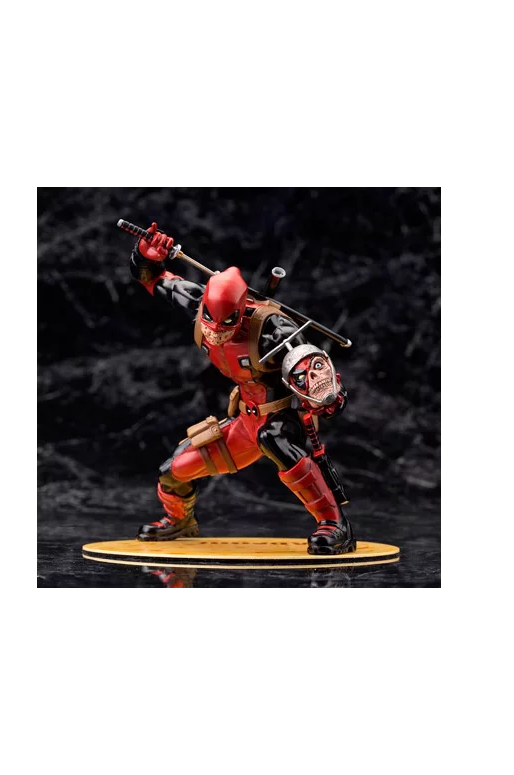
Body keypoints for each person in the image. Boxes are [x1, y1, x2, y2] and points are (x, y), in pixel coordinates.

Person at [129, 222, 355, 555]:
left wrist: (327, 398)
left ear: (240, 312)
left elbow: (313, 371)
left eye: (227, 322)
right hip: (245, 420)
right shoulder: (196, 302)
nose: (216, 330)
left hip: (280, 415)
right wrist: (146, 254)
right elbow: (151, 278)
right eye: (210, 320)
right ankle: (179, 520)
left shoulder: (274, 330)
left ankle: (335, 524)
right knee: (172, 471)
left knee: (273, 439)